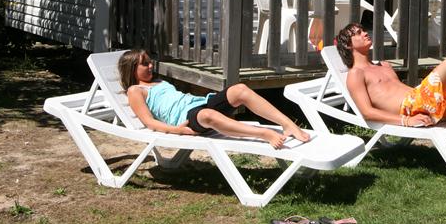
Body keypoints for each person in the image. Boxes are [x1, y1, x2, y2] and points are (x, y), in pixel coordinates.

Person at [118, 49, 310, 149]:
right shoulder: (136, 90)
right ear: (132, 69)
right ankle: (263, 133)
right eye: (145, 64)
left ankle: (287, 123)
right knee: (208, 114)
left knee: (239, 89)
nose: (151, 66)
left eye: (150, 62)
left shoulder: (158, 81)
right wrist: (177, 130)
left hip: (198, 105)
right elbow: (149, 122)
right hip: (186, 120)